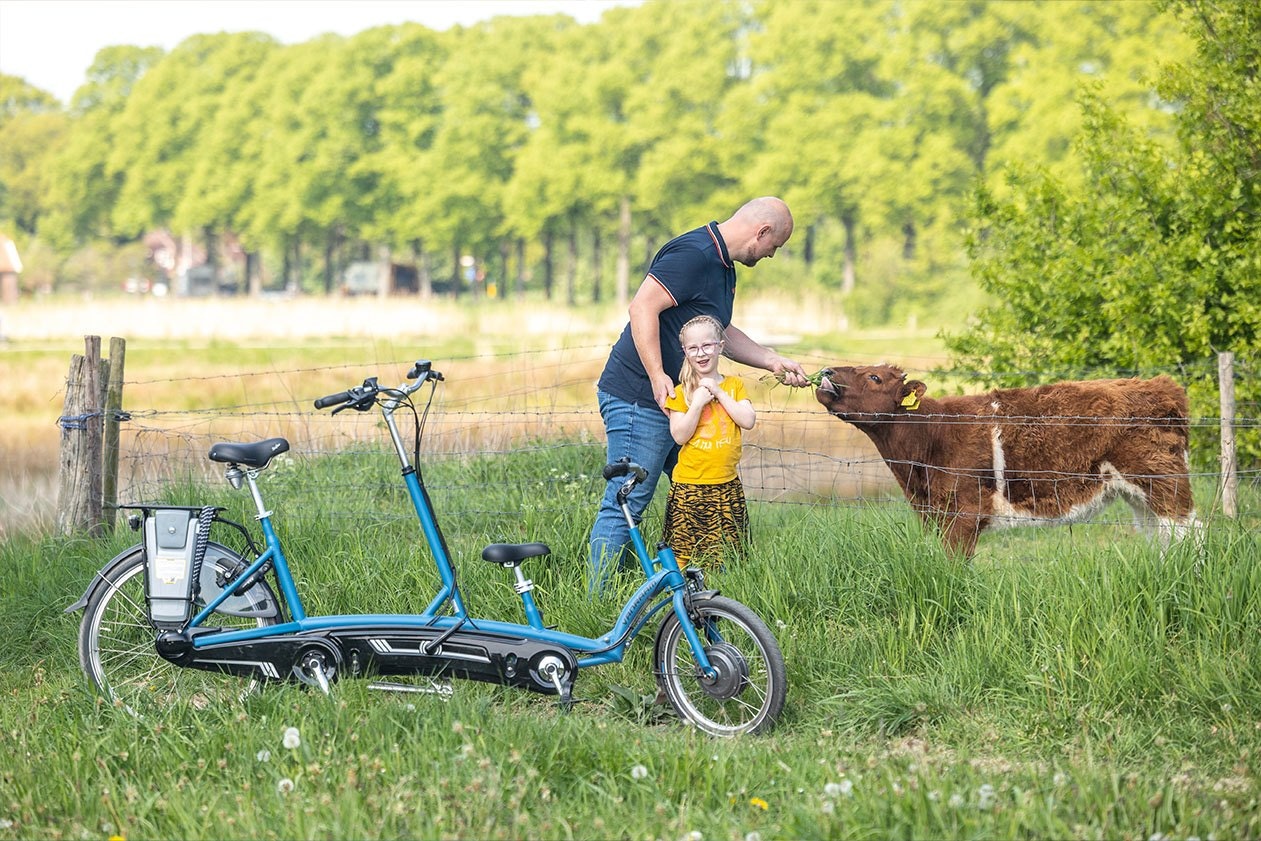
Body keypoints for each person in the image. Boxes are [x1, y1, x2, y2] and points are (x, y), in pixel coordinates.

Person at [588, 196, 807, 595]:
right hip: (641, 397)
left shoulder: (723, 267)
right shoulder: (695, 254)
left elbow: (718, 330)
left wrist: (771, 360)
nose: (772, 255)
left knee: (701, 493)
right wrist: (658, 376)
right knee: (627, 501)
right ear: (761, 233)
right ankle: (599, 605)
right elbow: (641, 309)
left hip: (684, 401)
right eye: (774, 247)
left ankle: (692, 594)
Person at [661, 315, 754, 570]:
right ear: (686, 352)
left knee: (728, 555)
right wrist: (699, 402)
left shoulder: (734, 386)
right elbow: (679, 435)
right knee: (682, 555)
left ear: (720, 346)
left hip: (726, 486)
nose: (701, 353)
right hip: (689, 488)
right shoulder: (681, 393)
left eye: (707, 346)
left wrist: (719, 392)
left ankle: (720, 604)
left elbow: (748, 420)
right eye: (693, 348)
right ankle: (682, 605)